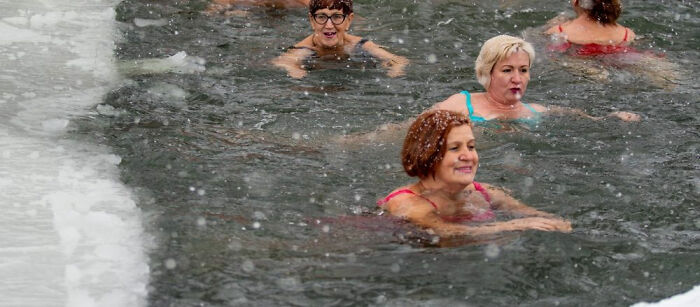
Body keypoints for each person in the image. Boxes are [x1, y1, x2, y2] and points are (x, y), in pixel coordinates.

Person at [377, 110, 572, 237]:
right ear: (427, 154)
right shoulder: (407, 203)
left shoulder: (483, 192)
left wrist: (559, 224)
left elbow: (532, 215)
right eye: (455, 148)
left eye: (471, 146)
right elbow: (446, 233)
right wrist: (512, 226)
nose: (468, 156)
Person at [432, 34, 640, 124]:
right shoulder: (460, 105)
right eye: (507, 70)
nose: (517, 79)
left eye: (523, 70)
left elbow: (572, 115)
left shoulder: (534, 112)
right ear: (487, 73)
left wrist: (609, 118)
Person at [271, 0, 408, 78]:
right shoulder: (303, 50)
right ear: (312, 21)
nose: (329, 26)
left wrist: (394, 70)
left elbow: (399, 60)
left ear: (349, 20)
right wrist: (294, 70)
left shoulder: (360, 45)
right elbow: (282, 62)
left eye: (337, 17)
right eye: (321, 17)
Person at [545, 0, 635, 56]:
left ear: (577, 1)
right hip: (617, 54)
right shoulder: (627, 33)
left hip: (578, 56)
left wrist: (549, 26)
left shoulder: (559, 30)